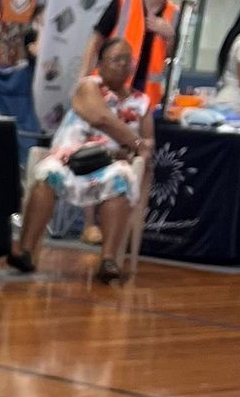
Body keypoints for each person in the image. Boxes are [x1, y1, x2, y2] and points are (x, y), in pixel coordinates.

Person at [8, 35, 149, 283]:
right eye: (116, 59)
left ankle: (108, 260)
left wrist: (140, 149)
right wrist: (135, 142)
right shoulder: (88, 86)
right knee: (47, 173)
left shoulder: (142, 102)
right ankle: (27, 251)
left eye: (127, 60)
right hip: (71, 159)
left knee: (122, 178)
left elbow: (150, 142)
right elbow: (100, 118)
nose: (122, 65)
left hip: (111, 163)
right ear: (100, 64)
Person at [85, 0, 187, 110]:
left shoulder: (174, 13)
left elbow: (172, 59)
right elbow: (95, 42)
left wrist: (169, 36)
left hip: (146, 101)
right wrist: (84, 82)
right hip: (109, 92)